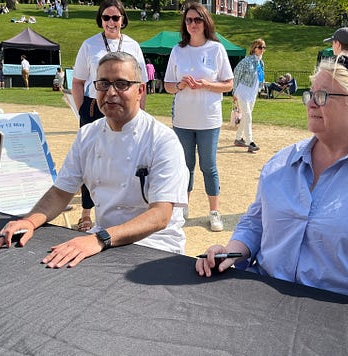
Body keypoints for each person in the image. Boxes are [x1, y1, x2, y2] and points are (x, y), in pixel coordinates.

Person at [196, 56, 348, 355]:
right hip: (266, 306)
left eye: (324, 95)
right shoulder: (281, 162)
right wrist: (232, 250)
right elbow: (256, 223)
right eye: (311, 93)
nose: (311, 103)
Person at [0, 52, 189, 268]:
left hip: (154, 244)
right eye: (103, 83)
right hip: (102, 239)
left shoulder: (162, 140)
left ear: (140, 90)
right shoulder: (87, 135)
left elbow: (160, 215)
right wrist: (28, 221)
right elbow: (60, 192)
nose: (111, 92)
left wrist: (100, 239)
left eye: (121, 84)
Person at [72, 0, 148, 232]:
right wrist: (83, 110)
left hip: (125, 107)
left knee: (123, 155)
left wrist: (140, 112)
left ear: (123, 19)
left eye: (116, 18)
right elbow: (78, 81)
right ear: (100, 20)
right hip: (95, 106)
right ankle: (86, 213)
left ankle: (120, 212)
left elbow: (142, 82)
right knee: (91, 158)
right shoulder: (89, 45)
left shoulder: (133, 46)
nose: (111, 22)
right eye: (106, 17)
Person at [164, 2, 233, 232]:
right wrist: (181, 85)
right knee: (185, 166)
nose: (193, 24)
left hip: (208, 120)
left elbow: (228, 84)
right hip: (183, 120)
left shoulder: (216, 49)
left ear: (205, 22)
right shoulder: (177, 50)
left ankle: (214, 212)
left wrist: (208, 85)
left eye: (197, 19)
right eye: (189, 20)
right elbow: (167, 86)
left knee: (209, 166)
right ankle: (183, 207)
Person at [231, 38, 265, 153]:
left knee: (246, 116)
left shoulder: (261, 62)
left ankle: (238, 138)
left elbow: (260, 78)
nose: (262, 50)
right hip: (242, 91)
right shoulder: (247, 61)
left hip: (252, 92)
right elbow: (236, 73)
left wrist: (260, 88)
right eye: (260, 47)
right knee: (248, 115)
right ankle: (250, 142)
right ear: (254, 48)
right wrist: (234, 91)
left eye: (263, 48)